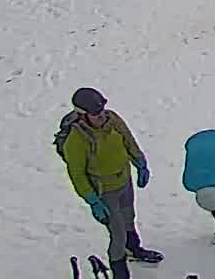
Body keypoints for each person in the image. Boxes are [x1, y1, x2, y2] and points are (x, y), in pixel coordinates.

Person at [53, 87, 161, 275]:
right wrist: (92, 200)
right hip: (104, 191)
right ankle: (120, 271)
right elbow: (77, 174)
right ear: (82, 114)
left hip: (123, 180)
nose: (101, 115)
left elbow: (128, 139)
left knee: (129, 218)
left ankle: (134, 249)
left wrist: (140, 162)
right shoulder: (76, 139)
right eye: (96, 113)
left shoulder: (112, 119)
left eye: (102, 109)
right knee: (117, 233)